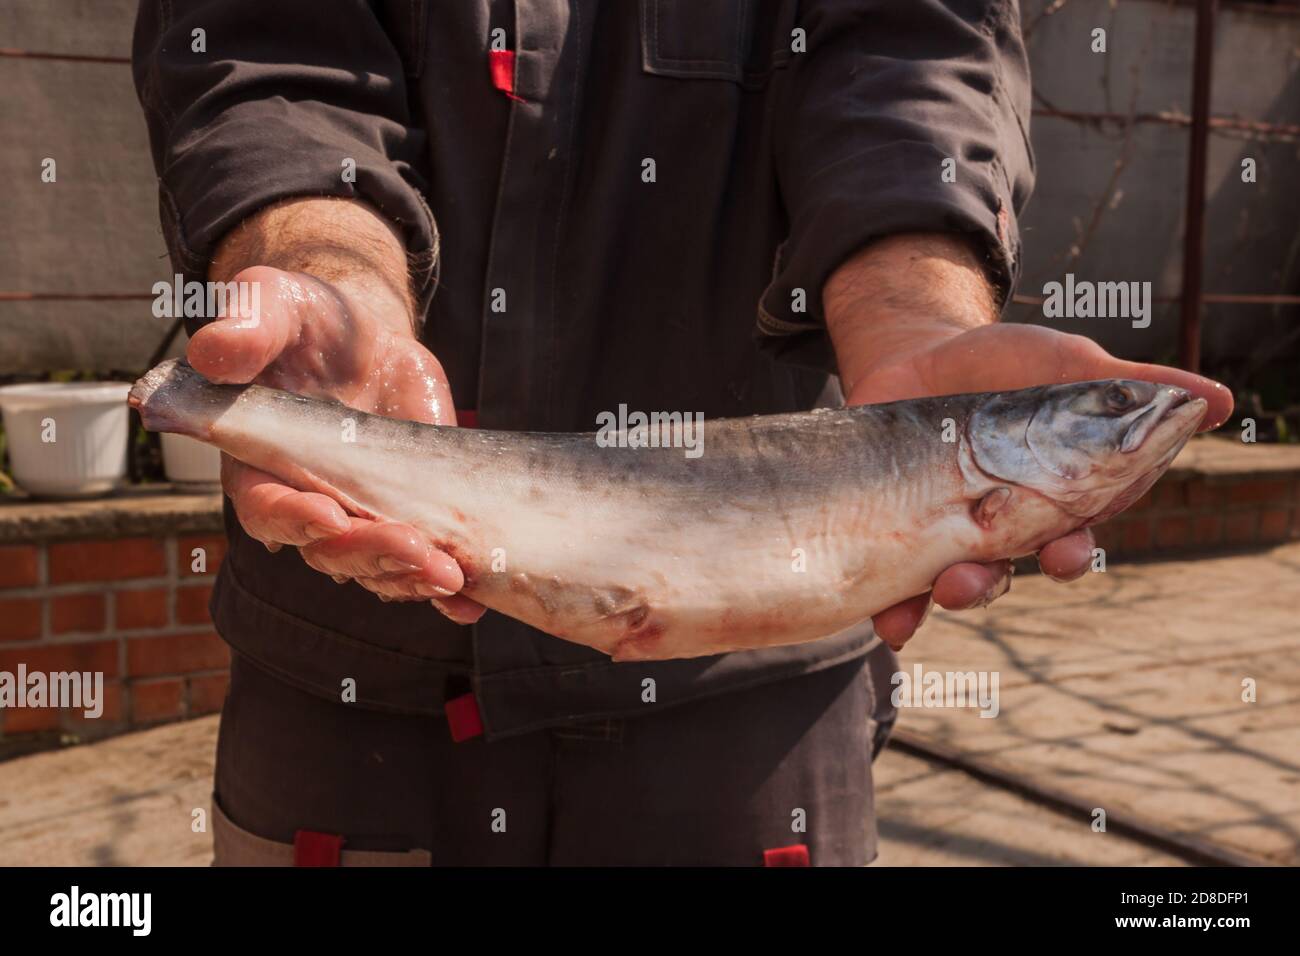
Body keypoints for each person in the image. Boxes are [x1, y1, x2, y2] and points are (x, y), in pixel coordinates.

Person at [132, 0, 1230, 866]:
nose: (1123, 426)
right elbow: (267, 49)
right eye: (1099, 413)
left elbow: (911, 52)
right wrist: (334, 276)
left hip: (753, 719)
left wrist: (911, 319)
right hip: (348, 679)